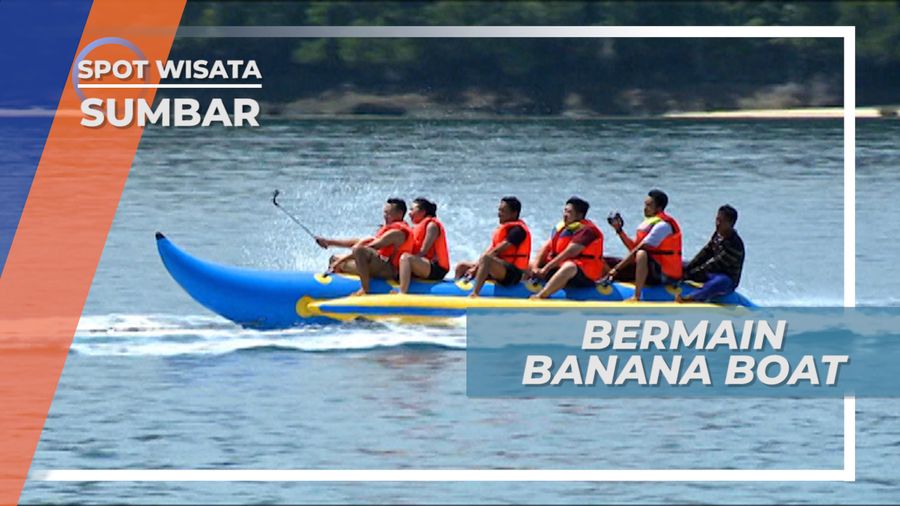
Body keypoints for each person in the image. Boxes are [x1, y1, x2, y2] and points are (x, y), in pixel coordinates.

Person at [315, 198, 415, 295]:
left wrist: (340, 261)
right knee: (334, 258)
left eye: (388, 213)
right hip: (378, 266)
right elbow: (360, 242)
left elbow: (368, 248)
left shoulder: (397, 233)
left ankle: (365, 288)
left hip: (389, 270)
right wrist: (329, 242)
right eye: (384, 213)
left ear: (400, 214)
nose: (385, 216)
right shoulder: (388, 228)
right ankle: (333, 288)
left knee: (353, 253)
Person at [604, 189, 682, 301]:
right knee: (607, 260)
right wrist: (619, 231)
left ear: (659, 208)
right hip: (651, 269)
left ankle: (637, 296)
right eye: (645, 204)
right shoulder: (649, 223)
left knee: (641, 254)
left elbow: (639, 250)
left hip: (664, 274)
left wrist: (617, 268)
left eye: (649, 205)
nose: (645, 208)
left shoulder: (663, 226)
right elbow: (633, 248)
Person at [529, 197, 605, 299]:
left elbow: (569, 253)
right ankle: (520, 288)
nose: (565, 215)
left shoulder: (588, 231)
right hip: (559, 267)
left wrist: (546, 269)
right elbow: (545, 248)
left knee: (569, 267)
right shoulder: (563, 228)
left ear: (579, 215)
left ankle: (542, 295)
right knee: (528, 263)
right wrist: (535, 268)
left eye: (569, 212)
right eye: (565, 211)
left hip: (585, 275)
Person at [455, 197, 532, 297]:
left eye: (503, 211)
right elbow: (490, 251)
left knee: (487, 259)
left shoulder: (518, 231)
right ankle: (456, 291)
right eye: (499, 210)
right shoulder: (503, 230)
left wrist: (476, 269)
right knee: (462, 267)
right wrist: (475, 267)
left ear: (514, 213)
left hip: (513, 274)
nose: (499, 213)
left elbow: (495, 252)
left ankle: (475, 293)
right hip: (499, 269)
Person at [677, 205, 745, 303]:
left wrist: (688, 275)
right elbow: (705, 253)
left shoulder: (734, 244)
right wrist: (688, 267)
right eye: (717, 219)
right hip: (711, 272)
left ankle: (692, 298)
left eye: (721, 221)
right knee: (680, 264)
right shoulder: (718, 235)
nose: (717, 223)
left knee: (719, 282)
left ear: (730, 223)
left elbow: (714, 265)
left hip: (726, 279)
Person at [397, 197, 451, 293]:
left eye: (412, 209)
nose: (409, 213)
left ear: (423, 212)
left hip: (436, 268)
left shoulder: (432, 226)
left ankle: (402, 292)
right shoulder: (415, 227)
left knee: (405, 258)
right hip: (423, 264)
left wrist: (406, 262)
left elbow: (423, 251)